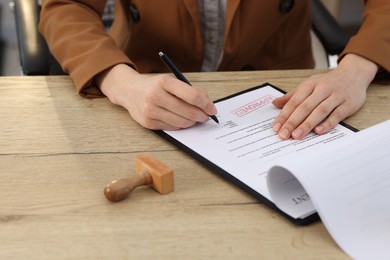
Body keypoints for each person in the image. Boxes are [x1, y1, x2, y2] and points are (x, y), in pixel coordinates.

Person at [39, 0, 389, 140]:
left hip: (279, 86)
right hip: (144, 84)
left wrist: (357, 69)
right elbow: (66, 7)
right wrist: (120, 82)